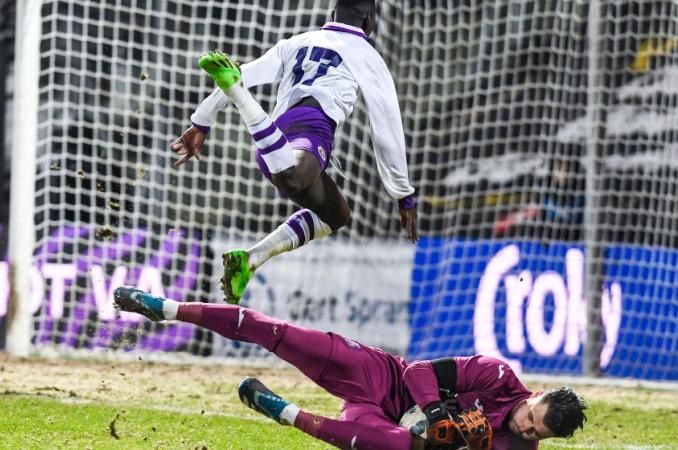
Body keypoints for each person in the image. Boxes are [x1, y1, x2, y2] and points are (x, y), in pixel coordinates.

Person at [114, 287, 587, 450]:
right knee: (281, 333)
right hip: (383, 377)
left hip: (380, 424)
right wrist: (438, 414)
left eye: (532, 433)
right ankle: (169, 308)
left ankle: (283, 412)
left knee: (395, 444)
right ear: (534, 394)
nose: (522, 426)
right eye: (529, 415)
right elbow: (418, 372)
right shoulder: (497, 375)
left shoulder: (515, 449)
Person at [170, 0, 418, 304]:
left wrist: (202, 120)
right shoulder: (369, 57)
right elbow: (388, 127)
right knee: (292, 178)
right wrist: (402, 193)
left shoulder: (297, 42)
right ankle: (241, 99)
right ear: (369, 19)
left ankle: (249, 260)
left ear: (332, 14)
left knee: (336, 214)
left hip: (273, 141)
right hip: (309, 132)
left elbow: (244, 72)